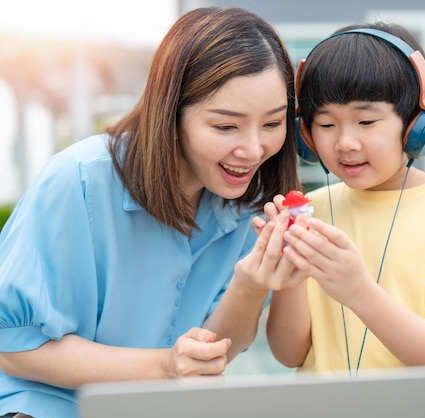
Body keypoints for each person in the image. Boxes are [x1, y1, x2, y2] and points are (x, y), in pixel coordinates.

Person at [0, 7, 304, 418]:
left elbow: (207, 356)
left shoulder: (250, 202)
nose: (252, 150)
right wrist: (163, 367)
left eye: (272, 123)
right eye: (226, 127)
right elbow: (13, 347)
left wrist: (248, 287)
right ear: (171, 113)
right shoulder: (77, 180)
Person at [263, 22, 425, 415]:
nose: (345, 142)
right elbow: (290, 354)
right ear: (305, 134)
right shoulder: (311, 210)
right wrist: (288, 281)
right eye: (326, 124)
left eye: (366, 121)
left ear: (415, 124)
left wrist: (358, 291)